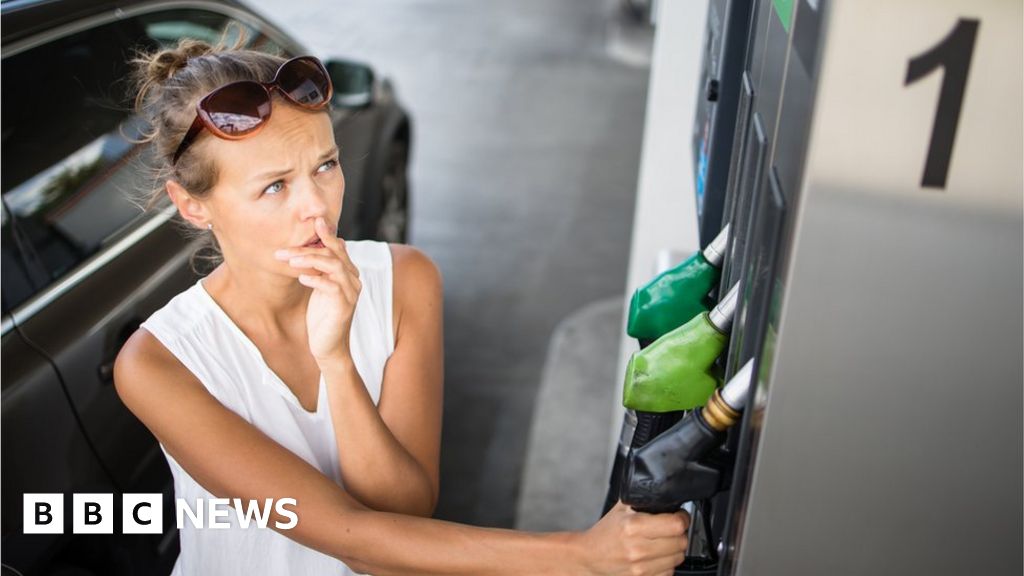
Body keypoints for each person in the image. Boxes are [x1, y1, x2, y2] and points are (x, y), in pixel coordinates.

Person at [113, 29, 689, 576]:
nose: (317, 206)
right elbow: (358, 542)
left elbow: (404, 510)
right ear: (193, 206)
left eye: (325, 166)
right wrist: (581, 556)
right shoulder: (160, 364)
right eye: (274, 186)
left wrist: (337, 360)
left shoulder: (406, 281)